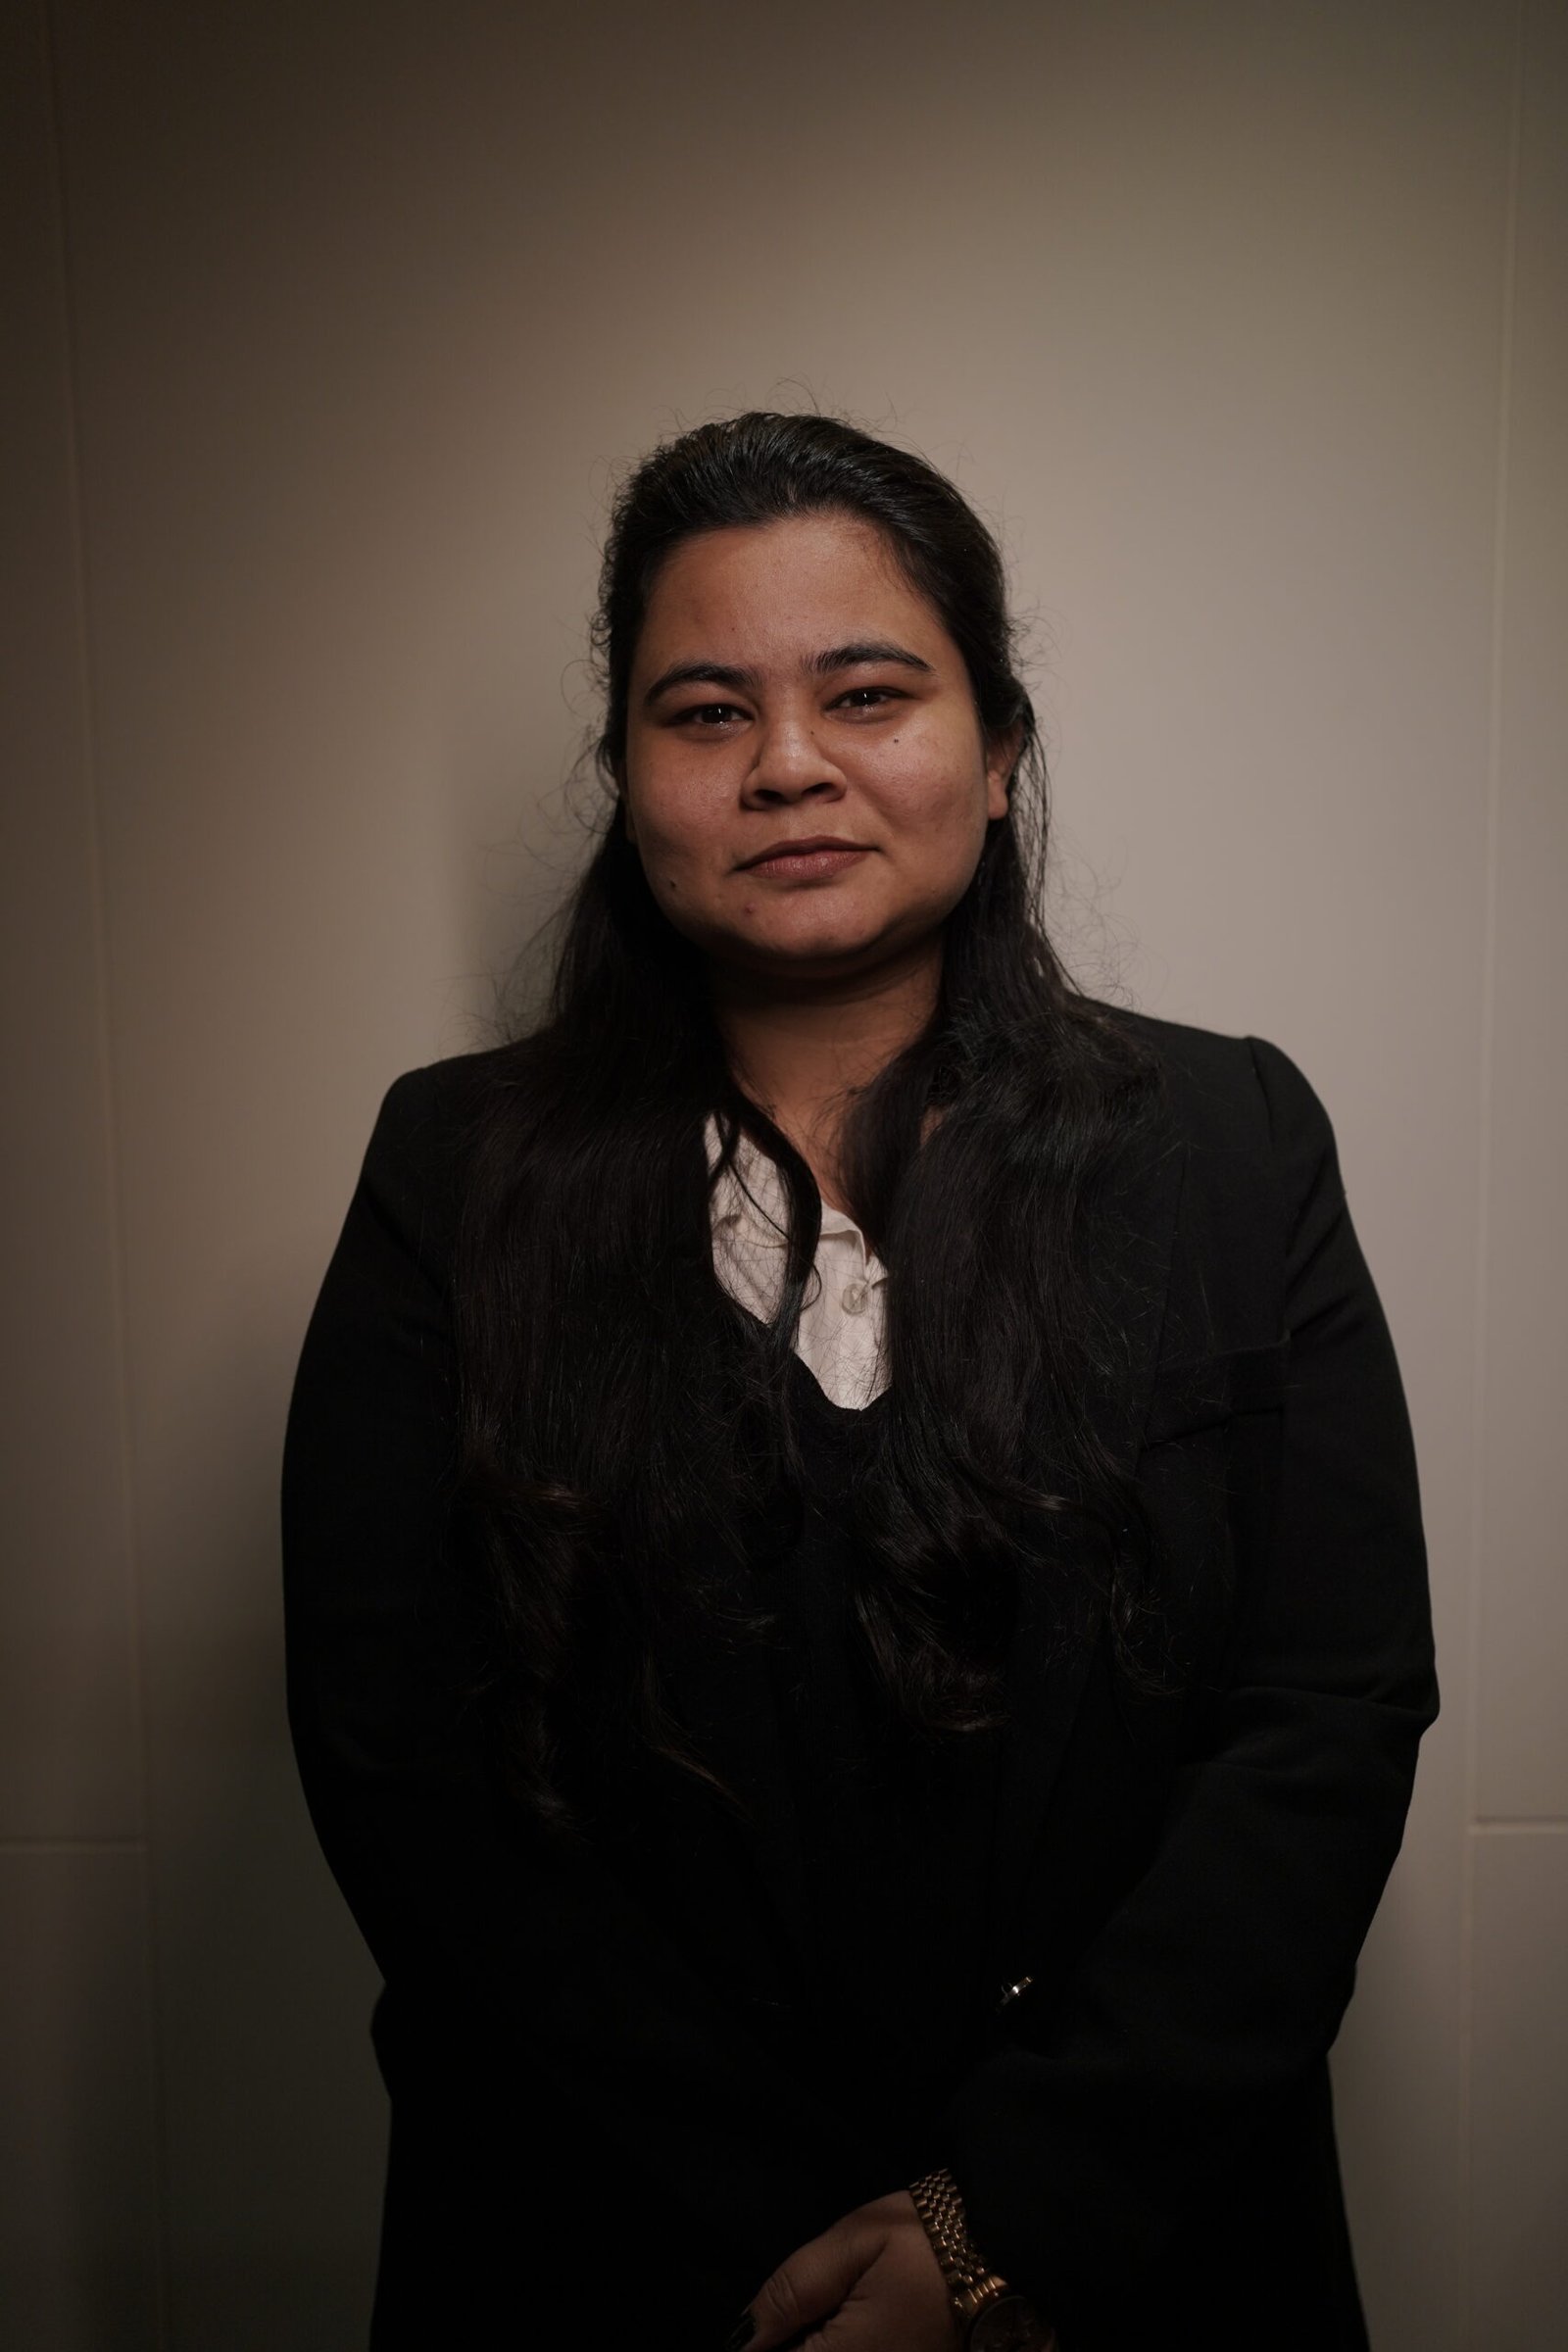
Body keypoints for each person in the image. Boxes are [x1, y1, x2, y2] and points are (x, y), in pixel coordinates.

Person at [280, 411, 1438, 2352]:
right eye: (705, 711)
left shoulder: (1230, 1147)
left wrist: (1005, 2223)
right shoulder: (451, 1172)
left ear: (996, 751)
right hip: (621, 2255)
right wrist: (802, 2256)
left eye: (868, 693)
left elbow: (1325, 1714)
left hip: (1133, 2256)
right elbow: (402, 1764)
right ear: (627, 779)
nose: (788, 764)